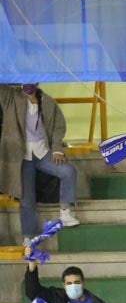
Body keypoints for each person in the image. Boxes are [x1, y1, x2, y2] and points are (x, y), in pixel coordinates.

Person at [0, 83, 80, 243]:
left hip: (43, 152)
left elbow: (59, 126)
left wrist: (57, 149)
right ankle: (29, 237)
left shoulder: (48, 101)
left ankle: (65, 211)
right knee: (27, 198)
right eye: (24, 79)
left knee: (68, 171)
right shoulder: (11, 96)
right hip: (21, 156)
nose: (27, 84)